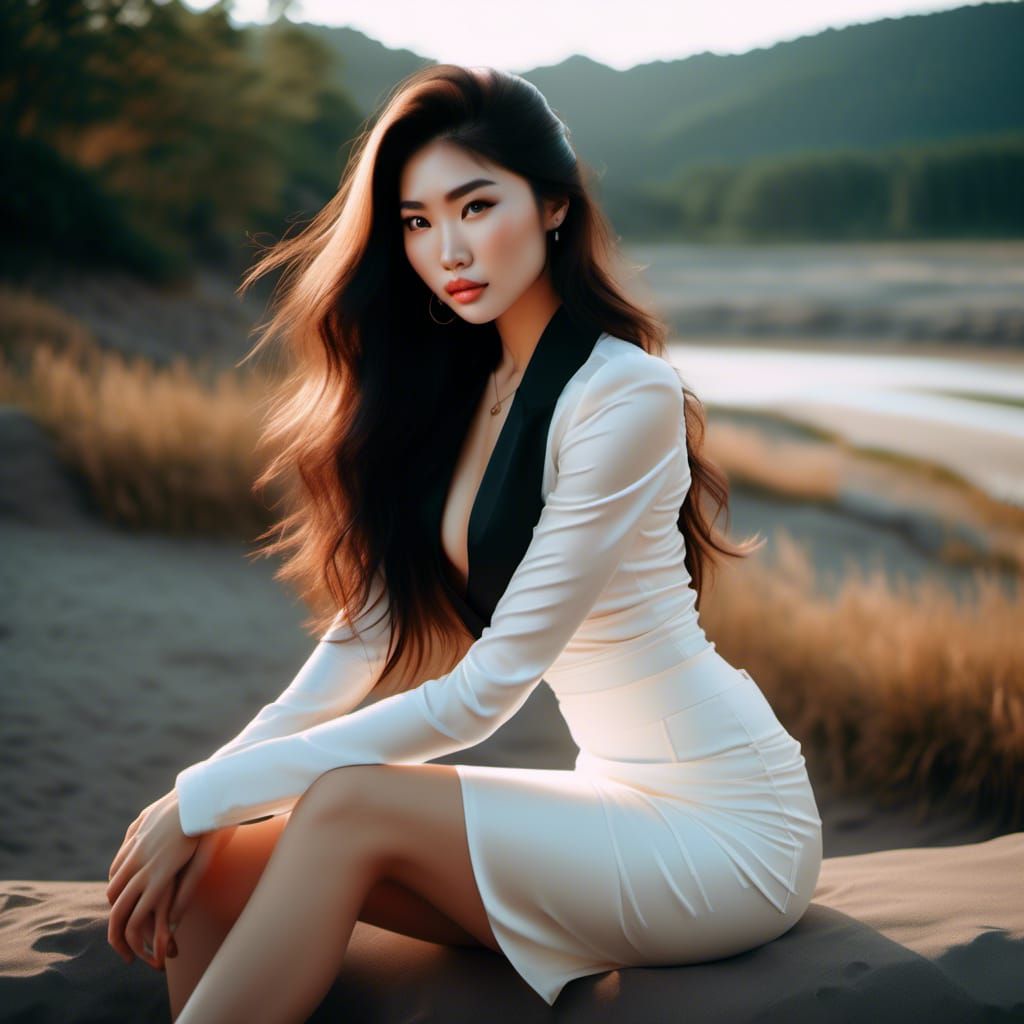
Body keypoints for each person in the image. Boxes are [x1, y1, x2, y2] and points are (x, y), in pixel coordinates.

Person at [105, 64, 823, 1022]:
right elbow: (361, 640)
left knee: (343, 802)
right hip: (608, 794)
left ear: (554, 205)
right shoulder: (458, 391)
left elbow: (485, 694)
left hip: (728, 826)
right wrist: (201, 798)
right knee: (220, 857)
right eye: (416, 221)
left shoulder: (624, 394)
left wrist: (206, 792)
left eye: (476, 206)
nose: (448, 249)